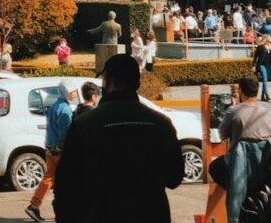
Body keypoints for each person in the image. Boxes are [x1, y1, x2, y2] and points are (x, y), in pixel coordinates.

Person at [53, 54, 184, 223]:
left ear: (106, 81)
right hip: (151, 214)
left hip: (99, 214)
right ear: (137, 83)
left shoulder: (84, 125)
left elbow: (66, 185)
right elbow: (174, 178)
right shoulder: (160, 124)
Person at [209, 76, 271, 223]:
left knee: (214, 168)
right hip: (263, 166)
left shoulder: (234, 111)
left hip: (239, 164)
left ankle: (240, 197)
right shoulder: (268, 113)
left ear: (241, 91)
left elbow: (222, 134)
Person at [25, 77, 73, 223]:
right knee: (53, 179)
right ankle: (34, 205)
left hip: (50, 147)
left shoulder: (55, 105)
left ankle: (35, 204)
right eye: (73, 92)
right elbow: (65, 133)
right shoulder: (65, 109)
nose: (75, 94)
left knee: (50, 178)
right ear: (67, 92)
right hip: (58, 150)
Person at [252, 35, 271, 101]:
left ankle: (263, 96)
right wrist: (253, 66)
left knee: (265, 81)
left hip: (268, 65)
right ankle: (266, 94)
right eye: (269, 38)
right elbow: (255, 57)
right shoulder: (260, 47)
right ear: (266, 39)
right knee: (265, 80)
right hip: (261, 65)